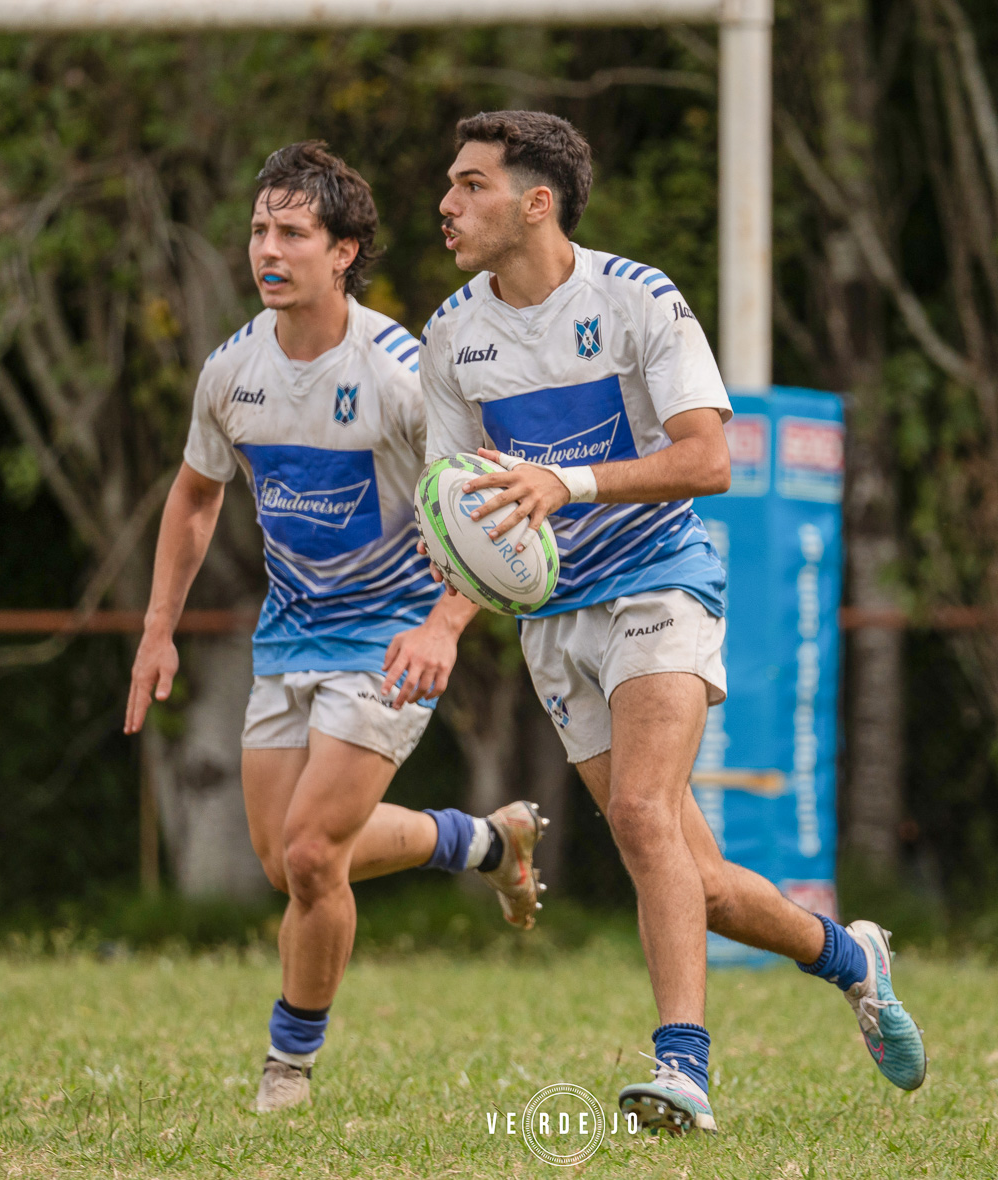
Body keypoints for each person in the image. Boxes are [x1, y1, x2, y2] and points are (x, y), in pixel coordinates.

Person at [418, 110, 926, 1135]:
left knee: (645, 815)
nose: (447, 203)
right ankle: (849, 957)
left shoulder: (638, 298)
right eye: (450, 184)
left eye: (471, 184)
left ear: (536, 202)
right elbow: (462, 507)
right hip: (556, 623)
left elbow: (710, 459)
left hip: (661, 580)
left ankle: (683, 1070)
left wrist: (567, 479)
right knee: (696, 877)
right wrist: (443, 617)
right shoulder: (449, 336)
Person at [124, 142, 546, 1115]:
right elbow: (194, 497)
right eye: (260, 229)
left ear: (345, 250)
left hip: (392, 633)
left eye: (293, 233)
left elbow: (496, 504)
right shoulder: (232, 370)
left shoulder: (405, 372)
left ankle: (289, 1065)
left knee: (316, 854)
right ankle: (483, 842)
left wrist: (446, 623)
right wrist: (158, 628)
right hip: (291, 634)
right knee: (288, 862)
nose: (268, 249)